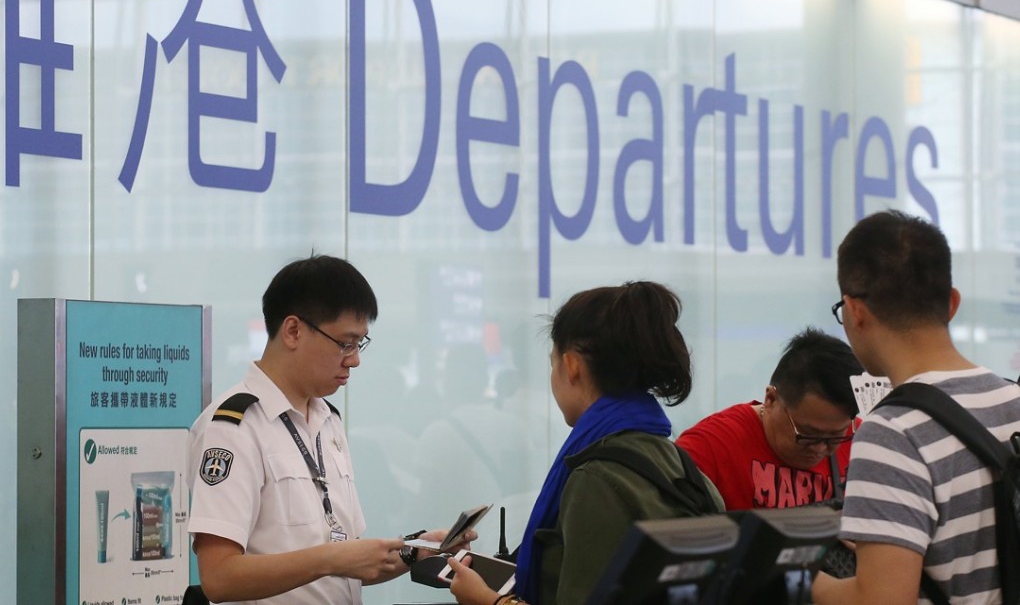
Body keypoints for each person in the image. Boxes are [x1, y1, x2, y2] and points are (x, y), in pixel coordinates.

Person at [186, 255, 466, 605]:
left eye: (360, 344)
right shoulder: (235, 426)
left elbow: (345, 571)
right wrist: (332, 559)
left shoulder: (327, 421)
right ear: (293, 331)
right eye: (344, 343)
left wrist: (415, 552)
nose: (354, 359)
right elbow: (219, 577)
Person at [445, 281, 725, 605]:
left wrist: (487, 601)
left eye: (552, 363)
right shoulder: (681, 464)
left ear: (572, 366)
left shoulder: (597, 478)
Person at [812, 210, 1020, 604]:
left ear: (854, 311)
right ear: (952, 303)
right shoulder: (1012, 400)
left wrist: (800, 581)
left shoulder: (892, 432)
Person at [676, 327, 862, 510]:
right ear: (771, 399)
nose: (821, 449)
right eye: (808, 434)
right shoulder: (710, 447)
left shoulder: (864, 442)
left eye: (836, 436)